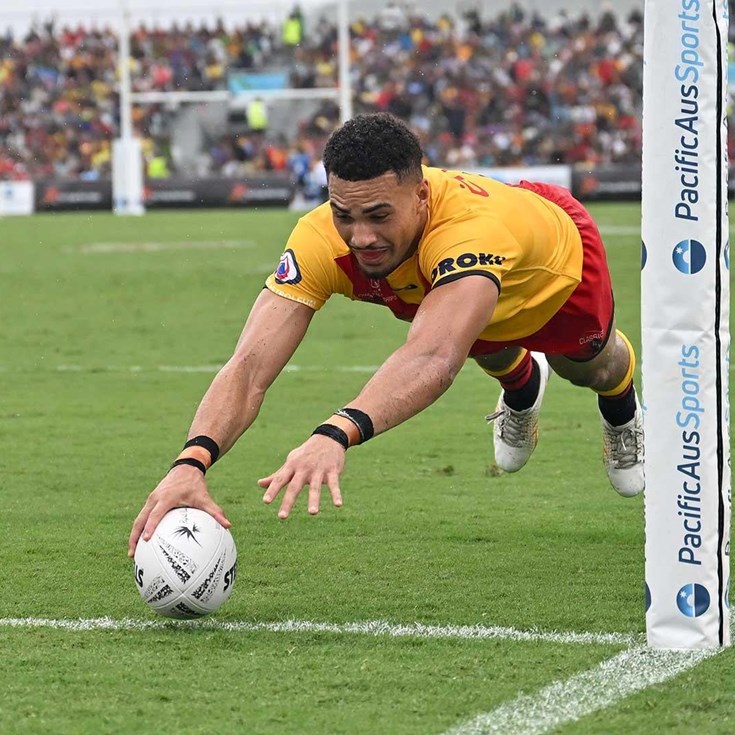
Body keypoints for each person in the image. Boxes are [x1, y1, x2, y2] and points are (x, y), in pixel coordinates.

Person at [128, 112, 644, 555]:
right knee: (477, 338)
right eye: (344, 214)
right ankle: (521, 387)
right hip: (454, 288)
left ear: (421, 195)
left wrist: (335, 433)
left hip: (553, 268)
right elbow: (248, 367)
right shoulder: (320, 238)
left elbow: (433, 358)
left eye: (378, 215)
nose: (362, 237)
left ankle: (622, 411)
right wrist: (190, 462)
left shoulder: (468, 233)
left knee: (592, 368)